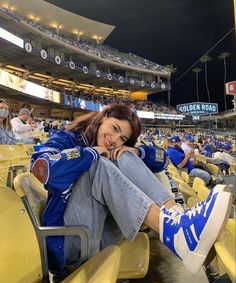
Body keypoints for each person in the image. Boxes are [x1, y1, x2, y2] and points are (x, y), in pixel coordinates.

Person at [31, 104, 232, 280]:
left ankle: (177, 219)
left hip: (104, 233)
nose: (114, 140)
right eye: (114, 128)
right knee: (98, 162)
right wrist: (92, 152)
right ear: (102, 118)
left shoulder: (117, 146)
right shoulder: (67, 138)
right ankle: (176, 234)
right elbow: (43, 168)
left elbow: (163, 159)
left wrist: (136, 151)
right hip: (71, 240)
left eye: (122, 137)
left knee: (125, 156)